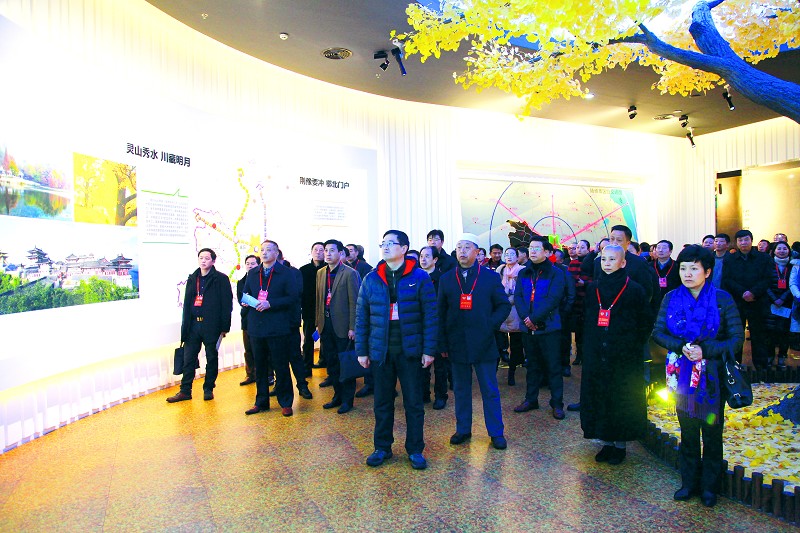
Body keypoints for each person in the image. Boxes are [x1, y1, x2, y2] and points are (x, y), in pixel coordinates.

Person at [652, 245, 744, 508]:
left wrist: (706, 350)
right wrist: (681, 346)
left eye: (694, 268)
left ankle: (710, 487)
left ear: (708, 271)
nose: (687, 274)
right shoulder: (671, 298)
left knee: (712, 432)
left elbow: (736, 339)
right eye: (683, 268)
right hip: (681, 375)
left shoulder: (722, 299)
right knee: (688, 431)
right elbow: (658, 332)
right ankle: (689, 483)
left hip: (712, 377)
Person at [356, 230, 437, 470]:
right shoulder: (371, 278)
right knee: (382, 402)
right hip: (380, 351)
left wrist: (429, 349)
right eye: (383, 243)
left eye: (391, 243)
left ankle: (415, 449)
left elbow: (431, 316)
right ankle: (382, 447)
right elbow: (361, 317)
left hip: (410, 350)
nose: (385, 247)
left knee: (414, 403)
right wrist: (362, 350)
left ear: (404, 248)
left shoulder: (420, 277)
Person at [438, 233, 511, 449]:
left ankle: (496, 432)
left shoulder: (490, 277)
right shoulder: (446, 278)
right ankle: (463, 429)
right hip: (456, 342)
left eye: (467, 247)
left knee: (489, 389)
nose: (462, 251)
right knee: (460, 389)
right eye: (459, 247)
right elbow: (440, 313)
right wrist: (442, 343)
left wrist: (490, 324)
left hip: (484, 341)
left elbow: (504, 305)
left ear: (477, 252)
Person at [580, 245, 650, 465]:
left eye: (612, 259)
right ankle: (606, 442)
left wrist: (631, 346)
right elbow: (587, 319)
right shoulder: (593, 288)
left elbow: (644, 323)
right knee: (600, 397)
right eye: (604, 259)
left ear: (623, 262)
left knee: (621, 398)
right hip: (597, 352)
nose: (607, 263)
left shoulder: (634, 289)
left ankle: (620, 445)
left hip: (624, 356)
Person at [242, 240, 300, 417]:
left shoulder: (286, 273)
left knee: (280, 365)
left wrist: (271, 303)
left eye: (268, 250)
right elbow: (245, 293)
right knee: (260, 366)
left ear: (276, 253)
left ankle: (286, 402)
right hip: (256, 326)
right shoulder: (253, 273)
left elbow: (293, 297)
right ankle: (261, 402)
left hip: (277, 326)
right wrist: (247, 301)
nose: (264, 253)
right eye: (262, 250)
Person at [168, 248, 234, 403]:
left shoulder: (221, 279)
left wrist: (224, 327)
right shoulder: (193, 278)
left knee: (211, 358)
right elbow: (187, 304)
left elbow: (227, 304)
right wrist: (185, 327)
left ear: (213, 261)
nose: (203, 261)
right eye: (201, 258)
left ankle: (208, 388)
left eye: (206, 258)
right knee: (188, 358)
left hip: (212, 326)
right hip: (193, 325)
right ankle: (185, 391)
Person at [512, 237, 567, 419]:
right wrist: (526, 318)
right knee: (532, 365)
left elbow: (554, 299)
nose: (533, 251)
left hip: (549, 328)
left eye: (537, 248)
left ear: (547, 252)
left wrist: (534, 318)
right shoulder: (524, 272)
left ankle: (557, 403)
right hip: (528, 328)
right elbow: (518, 296)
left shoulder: (556, 273)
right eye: (531, 248)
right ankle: (531, 399)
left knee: (553, 366)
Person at [317, 239, 361, 413]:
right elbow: (319, 300)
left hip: (343, 326)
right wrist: (318, 323)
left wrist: (353, 327)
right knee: (332, 363)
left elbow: (355, 302)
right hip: (326, 325)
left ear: (341, 253)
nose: (327, 254)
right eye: (325, 250)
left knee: (345, 364)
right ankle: (337, 396)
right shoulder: (321, 273)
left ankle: (347, 400)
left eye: (332, 250)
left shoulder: (350, 273)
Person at [722, 229, 772, 368]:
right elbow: (727, 279)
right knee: (736, 334)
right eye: (740, 240)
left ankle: (761, 368)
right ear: (736, 242)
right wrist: (743, 292)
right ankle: (735, 366)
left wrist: (753, 293)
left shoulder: (764, 258)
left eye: (746, 239)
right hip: (738, 302)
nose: (743, 242)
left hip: (758, 302)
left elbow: (768, 279)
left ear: (751, 241)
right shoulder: (730, 259)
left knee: (759, 336)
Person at [419, 245, 449, 408]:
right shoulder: (416, 278)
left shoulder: (443, 279)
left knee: (440, 366)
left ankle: (441, 396)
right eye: (421, 256)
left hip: (438, 328)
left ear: (435, 259)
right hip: (420, 328)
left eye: (427, 256)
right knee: (421, 365)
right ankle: (424, 393)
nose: (423, 259)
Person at [496, 247, 525, 386]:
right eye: (506, 254)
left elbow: (523, 291)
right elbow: (496, 287)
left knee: (516, 344)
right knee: (499, 342)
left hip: (517, 310)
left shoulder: (522, 270)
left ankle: (512, 372)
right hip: (502, 308)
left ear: (518, 257)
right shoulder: (500, 269)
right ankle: (496, 370)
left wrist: (512, 299)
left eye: (512, 254)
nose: (509, 256)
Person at [766, 241, 794, 368]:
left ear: (789, 251)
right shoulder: (768, 265)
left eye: (784, 249)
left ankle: (782, 357)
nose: (782, 251)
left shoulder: (793, 266)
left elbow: (794, 284)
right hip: (770, 304)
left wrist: (782, 298)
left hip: (787, 304)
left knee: (784, 332)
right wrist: (774, 299)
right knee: (770, 332)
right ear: (774, 251)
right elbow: (764, 284)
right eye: (779, 248)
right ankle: (770, 356)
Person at [299, 242, 326, 373]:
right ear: (311, 252)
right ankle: (306, 366)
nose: (318, 252)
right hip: (309, 310)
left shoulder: (328, 268)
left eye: (321, 250)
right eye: (316, 250)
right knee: (308, 339)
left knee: (326, 339)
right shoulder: (303, 270)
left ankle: (324, 361)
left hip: (325, 310)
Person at [236, 254, 260, 386]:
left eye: (253, 263)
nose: (250, 266)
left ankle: (268, 374)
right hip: (246, 319)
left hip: (260, 318)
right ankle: (250, 374)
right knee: (248, 348)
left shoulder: (262, 279)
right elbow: (240, 299)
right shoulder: (241, 282)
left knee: (262, 349)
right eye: (248, 263)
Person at [653, 239, 681, 309]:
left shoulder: (677, 266)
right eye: (658, 248)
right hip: (654, 302)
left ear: (670, 251)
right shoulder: (649, 266)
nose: (660, 250)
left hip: (673, 301)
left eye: (664, 248)